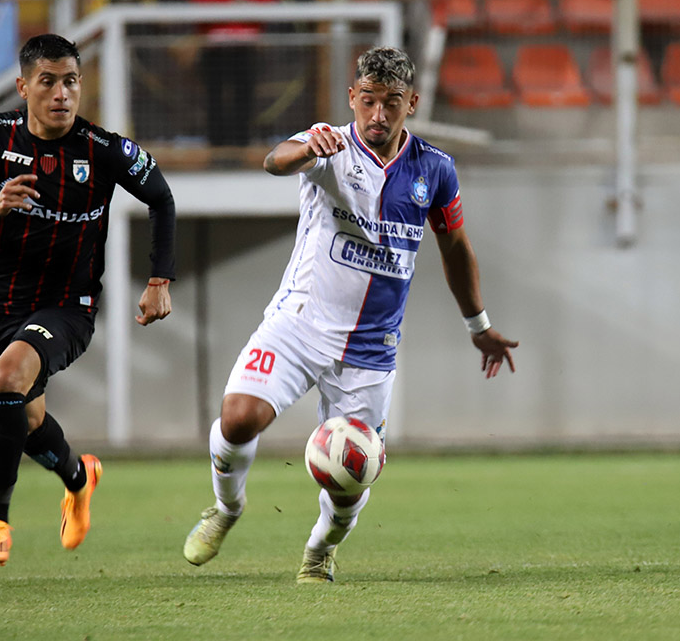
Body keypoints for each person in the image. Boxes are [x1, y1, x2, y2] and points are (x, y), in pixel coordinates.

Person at [182, 46, 517, 583]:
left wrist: (478, 327)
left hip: (370, 349)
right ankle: (226, 508)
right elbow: (276, 160)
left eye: (391, 103)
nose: (378, 115)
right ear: (351, 98)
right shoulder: (328, 143)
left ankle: (320, 548)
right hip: (299, 324)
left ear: (413, 102)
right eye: (368, 101)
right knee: (239, 417)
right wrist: (303, 148)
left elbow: (455, 248)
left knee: (351, 475)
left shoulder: (435, 170)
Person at [0, 34, 176, 566]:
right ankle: (79, 476)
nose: (61, 93)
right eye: (47, 81)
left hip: (69, 307)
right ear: (24, 86)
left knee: (5, 381)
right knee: (21, 417)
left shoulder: (104, 150)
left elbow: (161, 197)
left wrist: (160, 279)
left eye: (70, 81)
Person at [182, 0, 282, 147]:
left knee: (244, 95)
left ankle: (241, 146)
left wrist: (247, 2)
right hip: (213, 41)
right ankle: (216, 147)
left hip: (247, 41)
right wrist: (229, 0)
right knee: (214, 96)